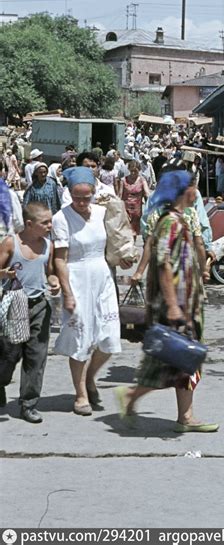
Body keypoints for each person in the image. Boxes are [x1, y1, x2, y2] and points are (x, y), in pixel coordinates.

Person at [115, 171, 218, 433]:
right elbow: (163, 264)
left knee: (185, 359)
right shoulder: (169, 223)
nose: (197, 193)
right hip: (175, 305)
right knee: (169, 359)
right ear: (185, 191)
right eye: (194, 187)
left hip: (187, 303)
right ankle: (130, 397)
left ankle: (186, 416)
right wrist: (173, 306)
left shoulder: (180, 219)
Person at [52, 167, 124, 415]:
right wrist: (67, 292)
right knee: (80, 337)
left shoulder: (102, 212)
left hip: (102, 275)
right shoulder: (61, 219)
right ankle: (80, 392)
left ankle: (90, 377)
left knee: (109, 336)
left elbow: (115, 241)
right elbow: (59, 259)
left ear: (94, 192)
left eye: (87, 196)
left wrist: (123, 256)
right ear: (69, 193)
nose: (82, 202)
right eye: (77, 196)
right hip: (77, 276)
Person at [0, 203, 61, 422]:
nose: (49, 225)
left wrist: (54, 282)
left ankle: (28, 404)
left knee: (36, 357)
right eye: (45, 222)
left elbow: (51, 272)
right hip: (14, 305)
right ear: (29, 224)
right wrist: (4, 274)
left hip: (39, 306)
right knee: (9, 355)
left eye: (50, 221)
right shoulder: (10, 243)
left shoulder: (48, 245)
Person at [119, 159, 150, 238]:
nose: (133, 173)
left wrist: (149, 208)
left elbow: (147, 194)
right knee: (125, 233)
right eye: (131, 170)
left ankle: (133, 247)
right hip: (125, 210)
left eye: (135, 171)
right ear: (129, 169)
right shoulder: (123, 180)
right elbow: (119, 195)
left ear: (139, 170)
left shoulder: (142, 180)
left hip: (136, 211)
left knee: (134, 233)